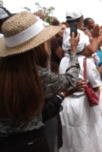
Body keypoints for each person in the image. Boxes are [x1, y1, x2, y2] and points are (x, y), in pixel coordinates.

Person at [0, 12, 81, 152]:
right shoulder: (36, 74)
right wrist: (73, 50)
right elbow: (71, 80)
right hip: (32, 142)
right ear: (35, 47)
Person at [59, 28, 102, 152]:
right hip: (83, 103)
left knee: (70, 134)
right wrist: (99, 72)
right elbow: (95, 85)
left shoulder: (63, 61)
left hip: (66, 104)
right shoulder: (87, 62)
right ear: (83, 47)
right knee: (87, 132)